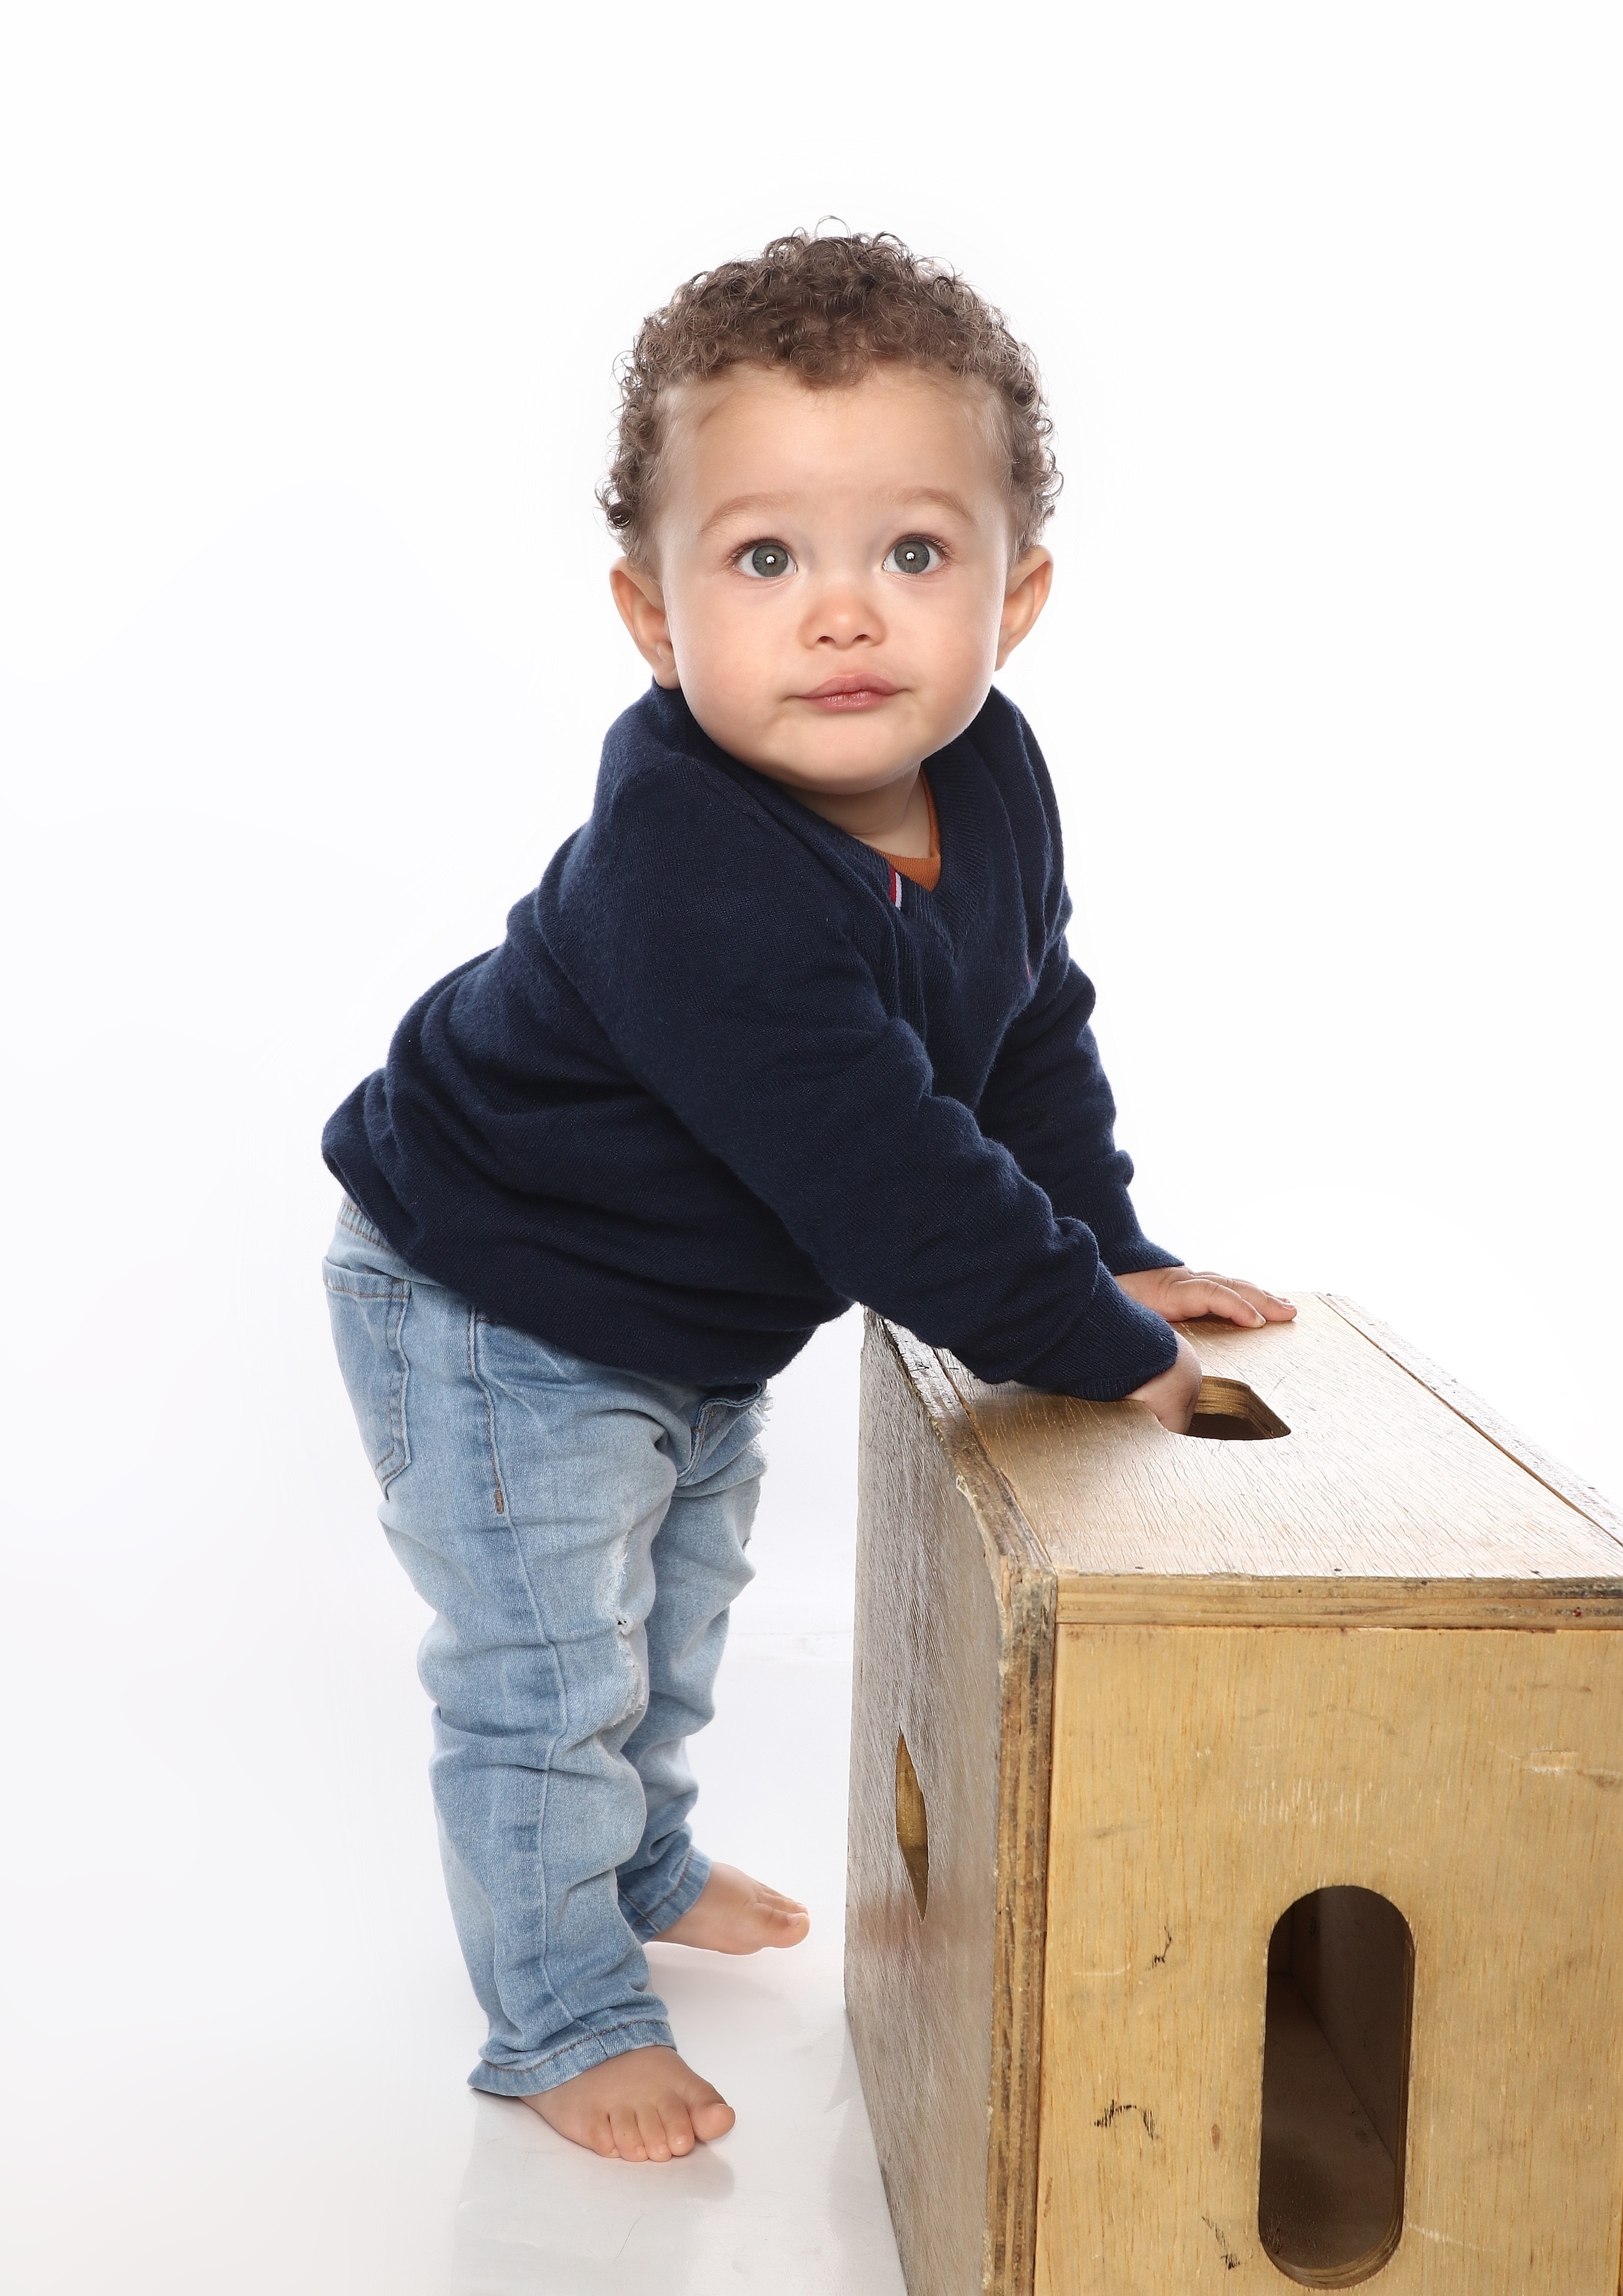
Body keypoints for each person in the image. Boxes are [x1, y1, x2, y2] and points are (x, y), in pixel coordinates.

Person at [320, 230, 1294, 2165]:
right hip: (493, 1292)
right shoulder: (691, 872)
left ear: (1014, 597)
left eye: (911, 554)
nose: (842, 613)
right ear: (652, 616)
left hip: (688, 1307)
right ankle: (559, 2016)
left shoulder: (987, 777)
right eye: (765, 559)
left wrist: (1108, 1244)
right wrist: (1100, 1350)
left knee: (675, 1614)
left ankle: (641, 1857)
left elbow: (1018, 1024)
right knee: (547, 1673)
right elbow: (888, 1180)